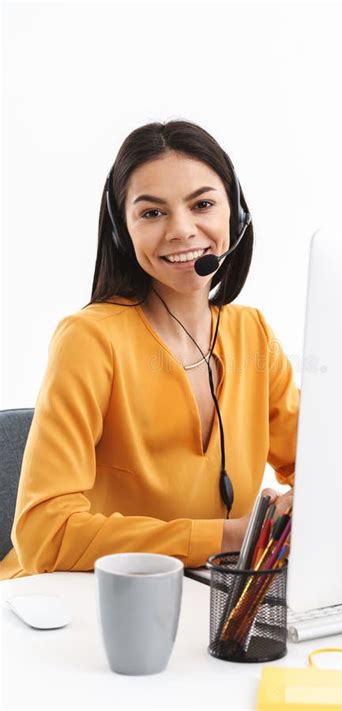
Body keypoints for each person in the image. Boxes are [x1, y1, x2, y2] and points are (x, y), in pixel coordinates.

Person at [0, 120, 299, 580]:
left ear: (235, 215)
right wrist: (231, 536)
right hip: (68, 605)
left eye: (202, 204)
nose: (182, 230)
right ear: (123, 231)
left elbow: (321, 465)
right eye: (152, 213)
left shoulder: (252, 334)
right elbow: (45, 533)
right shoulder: (91, 340)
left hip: (201, 594)